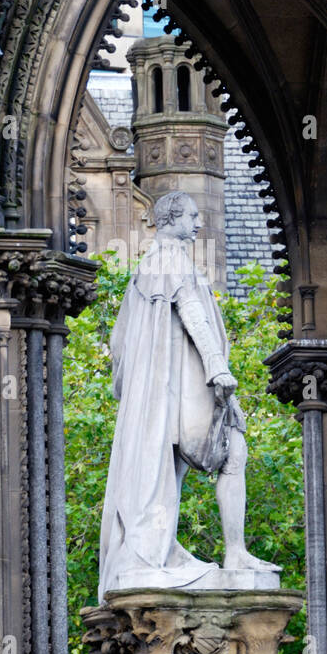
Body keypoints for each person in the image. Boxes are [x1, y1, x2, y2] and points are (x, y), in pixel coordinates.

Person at [98, 189, 279, 598]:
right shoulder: (169, 259)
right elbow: (192, 312)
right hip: (179, 389)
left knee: (169, 472)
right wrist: (217, 366)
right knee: (233, 450)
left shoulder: (150, 265)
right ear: (171, 217)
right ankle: (231, 553)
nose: (199, 223)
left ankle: (167, 551)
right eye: (193, 216)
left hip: (168, 393)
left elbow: (121, 342)